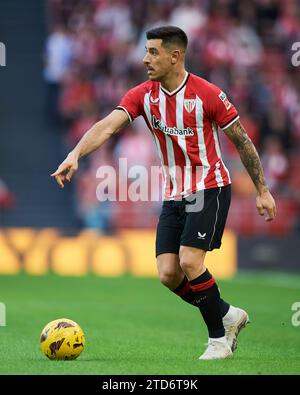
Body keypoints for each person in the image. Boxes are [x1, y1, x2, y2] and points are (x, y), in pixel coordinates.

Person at [51, 26, 276, 360]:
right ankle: (228, 315)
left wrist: (262, 189)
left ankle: (219, 341)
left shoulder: (208, 94)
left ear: (175, 56)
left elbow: (241, 140)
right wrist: (75, 155)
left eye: (153, 52)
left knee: (190, 260)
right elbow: (108, 125)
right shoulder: (144, 95)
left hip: (209, 186)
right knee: (168, 274)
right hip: (175, 192)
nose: (145, 59)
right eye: (146, 51)